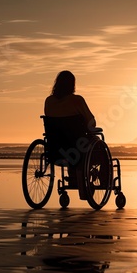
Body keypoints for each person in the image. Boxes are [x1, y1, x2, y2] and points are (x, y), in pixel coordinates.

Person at [44, 70, 96, 199]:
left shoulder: (49, 101)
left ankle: (73, 179)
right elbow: (91, 123)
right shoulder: (77, 100)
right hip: (77, 147)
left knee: (72, 143)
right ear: (72, 85)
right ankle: (103, 181)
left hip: (56, 149)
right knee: (96, 145)